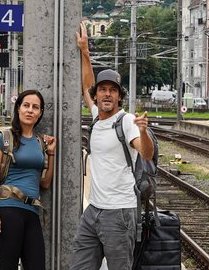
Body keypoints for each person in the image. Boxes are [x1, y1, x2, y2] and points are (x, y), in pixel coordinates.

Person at [71, 22, 155, 270]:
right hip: (93, 210)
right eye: (103, 90)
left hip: (119, 213)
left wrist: (142, 130)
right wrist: (84, 51)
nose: (107, 94)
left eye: (112, 91)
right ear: (97, 95)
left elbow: (146, 152)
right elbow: (86, 83)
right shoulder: (97, 115)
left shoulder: (126, 121)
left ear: (120, 96)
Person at [0, 89, 57, 270]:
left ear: (40, 113)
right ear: (18, 109)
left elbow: (46, 183)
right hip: (8, 210)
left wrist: (51, 153)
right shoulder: (4, 139)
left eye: (35, 107)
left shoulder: (41, 142)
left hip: (32, 211)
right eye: (26, 105)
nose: (30, 110)